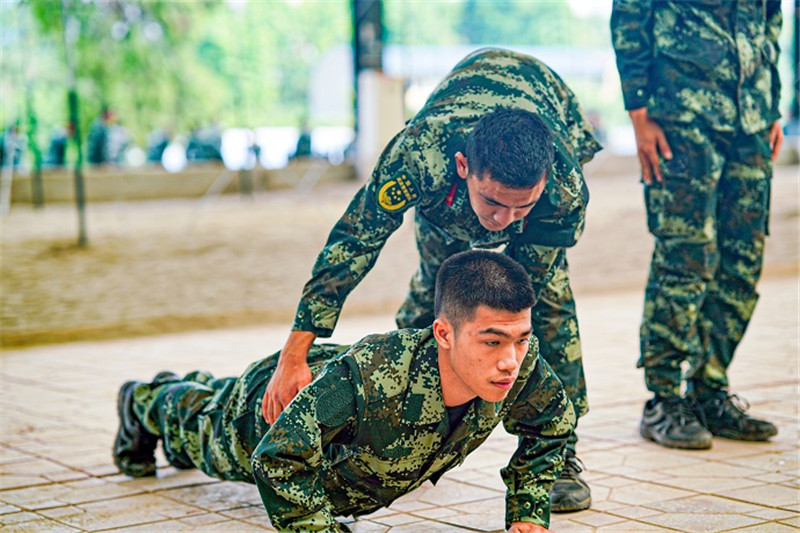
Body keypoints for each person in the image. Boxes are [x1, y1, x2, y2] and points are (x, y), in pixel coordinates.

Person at [263, 47, 601, 513]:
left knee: (539, 309)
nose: (502, 222)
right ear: (464, 167)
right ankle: (397, 426)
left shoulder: (563, 188)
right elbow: (355, 241)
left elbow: (522, 295)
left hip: (547, 106)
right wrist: (295, 350)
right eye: (493, 203)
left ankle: (561, 455)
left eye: (519, 207)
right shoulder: (421, 154)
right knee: (436, 300)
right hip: (446, 206)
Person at [113, 250, 575, 533]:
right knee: (197, 425)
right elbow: (276, 460)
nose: (509, 360)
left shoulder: (521, 363)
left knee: (206, 402)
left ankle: (183, 389)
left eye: (521, 339)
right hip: (267, 414)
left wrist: (528, 510)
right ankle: (141, 401)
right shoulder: (371, 378)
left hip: (337, 448)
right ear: (444, 333)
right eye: (492, 341)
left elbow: (552, 425)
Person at [610, 0, 783, 449]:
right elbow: (631, 14)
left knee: (742, 260)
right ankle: (664, 398)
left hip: (752, 117)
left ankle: (709, 388)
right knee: (685, 256)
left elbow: (771, 20)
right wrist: (638, 109)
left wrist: (773, 103)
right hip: (682, 114)